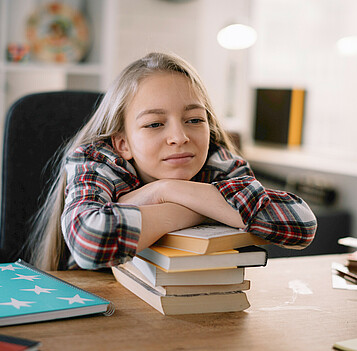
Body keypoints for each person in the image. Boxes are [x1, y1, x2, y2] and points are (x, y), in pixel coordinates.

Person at [29, 52, 317, 271]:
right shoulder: (98, 160)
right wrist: (208, 207)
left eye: (194, 120)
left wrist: (164, 191)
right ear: (123, 143)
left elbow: (301, 223)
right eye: (155, 124)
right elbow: (91, 242)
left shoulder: (217, 160)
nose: (179, 137)